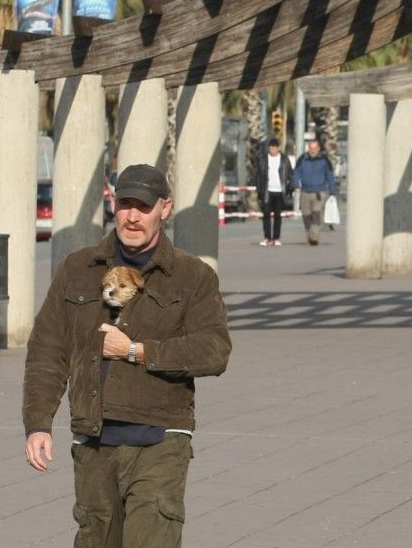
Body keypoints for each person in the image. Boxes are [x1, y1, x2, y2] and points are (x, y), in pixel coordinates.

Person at [22, 164, 231, 548]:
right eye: (124, 205)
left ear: (165, 209)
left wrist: (136, 351)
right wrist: (37, 422)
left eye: (143, 207)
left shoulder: (191, 275)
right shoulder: (78, 269)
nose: (132, 216)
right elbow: (47, 350)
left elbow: (214, 350)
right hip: (93, 439)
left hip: (160, 439)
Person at [292, 138, 337, 246]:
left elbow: (330, 175)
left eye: (315, 148)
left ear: (319, 149)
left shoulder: (325, 160)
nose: (312, 151)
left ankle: (314, 237)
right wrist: (295, 184)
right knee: (306, 216)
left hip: (319, 193)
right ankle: (309, 237)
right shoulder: (302, 158)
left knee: (317, 214)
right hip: (305, 192)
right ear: (308, 148)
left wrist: (332, 191)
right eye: (311, 148)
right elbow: (296, 172)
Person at [255, 138, 293, 246]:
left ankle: (276, 238)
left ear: (278, 148)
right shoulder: (263, 159)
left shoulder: (284, 159)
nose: (272, 150)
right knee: (266, 214)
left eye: (274, 148)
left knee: (277, 215)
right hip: (267, 191)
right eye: (270, 148)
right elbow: (258, 175)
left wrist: (290, 187)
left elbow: (290, 174)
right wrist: (259, 190)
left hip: (280, 191)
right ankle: (267, 237)